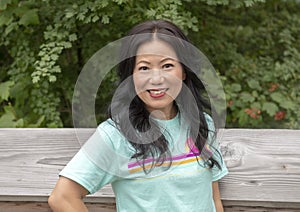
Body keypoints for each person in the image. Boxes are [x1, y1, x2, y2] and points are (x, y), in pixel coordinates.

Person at [48, 20, 228, 212]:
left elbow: (214, 201)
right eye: (144, 68)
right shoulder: (116, 135)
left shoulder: (201, 125)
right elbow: (63, 197)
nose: (156, 79)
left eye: (167, 65)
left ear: (184, 71)